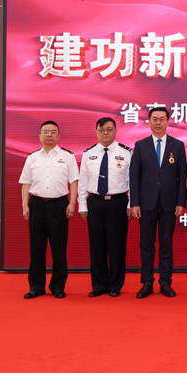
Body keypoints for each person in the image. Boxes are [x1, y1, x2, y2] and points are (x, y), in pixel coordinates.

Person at [129, 106, 187, 298]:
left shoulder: (177, 145)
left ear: (168, 122)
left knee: (166, 244)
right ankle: (147, 283)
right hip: (146, 204)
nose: (158, 122)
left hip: (169, 203)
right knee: (146, 245)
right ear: (149, 122)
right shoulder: (141, 145)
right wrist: (134, 203)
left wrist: (181, 202)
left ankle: (165, 282)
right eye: (155, 119)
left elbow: (182, 176)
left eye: (162, 119)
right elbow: (134, 176)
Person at [18, 120, 79, 299]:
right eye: (46, 132)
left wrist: (72, 203)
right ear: (40, 136)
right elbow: (25, 183)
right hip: (36, 205)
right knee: (36, 249)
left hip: (59, 206)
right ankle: (36, 287)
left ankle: (58, 286)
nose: (49, 135)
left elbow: (74, 181)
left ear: (59, 136)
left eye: (53, 132)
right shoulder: (32, 157)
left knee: (59, 249)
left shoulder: (67, 156)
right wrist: (25, 205)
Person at [77, 117, 132, 298]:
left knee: (117, 245)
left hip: (118, 203)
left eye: (109, 129)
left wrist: (131, 203)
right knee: (97, 245)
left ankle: (115, 284)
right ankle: (99, 285)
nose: (105, 133)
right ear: (96, 132)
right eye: (101, 129)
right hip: (95, 203)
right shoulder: (88, 153)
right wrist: (82, 205)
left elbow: (133, 181)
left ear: (115, 131)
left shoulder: (126, 152)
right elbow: (83, 181)